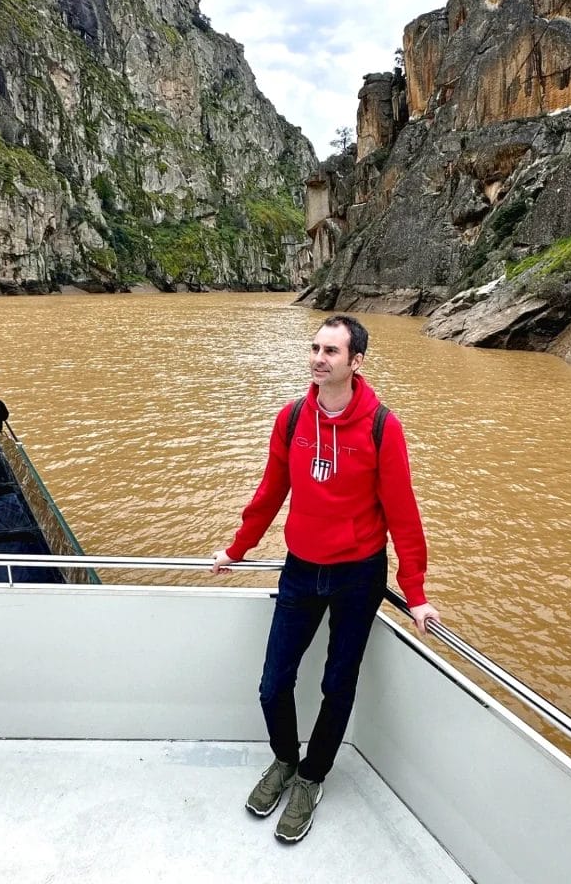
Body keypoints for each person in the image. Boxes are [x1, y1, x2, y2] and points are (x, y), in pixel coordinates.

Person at [211, 314, 440, 844]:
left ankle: (312, 778)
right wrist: (237, 547)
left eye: (331, 351)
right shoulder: (292, 419)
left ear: (355, 362)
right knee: (273, 684)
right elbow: (271, 492)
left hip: (358, 574)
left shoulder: (383, 426)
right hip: (300, 569)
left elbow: (404, 515)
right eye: (315, 348)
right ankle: (286, 761)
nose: (318, 358)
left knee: (337, 683)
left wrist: (418, 593)